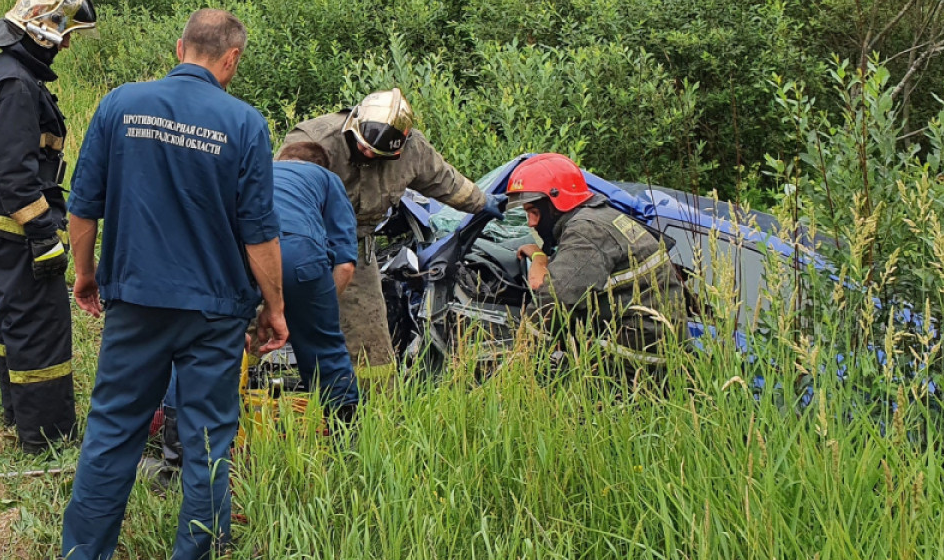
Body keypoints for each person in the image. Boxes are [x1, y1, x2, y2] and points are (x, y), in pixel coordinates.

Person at [57, 9, 288, 560]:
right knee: (209, 442)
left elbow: (83, 207)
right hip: (214, 310)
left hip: (135, 300)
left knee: (112, 430)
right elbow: (259, 233)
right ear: (231, 59)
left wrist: (86, 275)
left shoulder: (119, 105)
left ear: (180, 46)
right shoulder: (244, 124)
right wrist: (275, 307)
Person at [0, 0, 97, 451]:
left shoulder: (5, 69)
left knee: (17, 320)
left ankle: (19, 414)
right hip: (16, 221)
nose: (63, 47)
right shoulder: (18, 85)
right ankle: (47, 436)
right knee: (41, 326)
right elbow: (15, 174)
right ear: (43, 29)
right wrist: (43, 236)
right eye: (64, 36)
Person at [284, 89, 505, 368]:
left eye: (377, 153)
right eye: (364, 145)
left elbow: (445, 181)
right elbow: (282, 198)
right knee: (266, 317)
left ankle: (370, 408)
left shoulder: (413, 151)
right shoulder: (315, 141)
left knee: (371, 343)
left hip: (355, 249)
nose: (367, 153)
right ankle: (236, 386)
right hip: (299, 243)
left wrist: (482, 202)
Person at [504, 152, 688, 378]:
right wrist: (540, 257)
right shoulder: (603, 218)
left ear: (556, 202)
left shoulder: (587, 231)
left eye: (533, 212)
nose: (531, 222)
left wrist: (518, 355)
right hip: (656, 348)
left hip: (635, 359)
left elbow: (555, 299)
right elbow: (579, 273)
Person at [270, 141, 360, 418]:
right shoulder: (327, 179)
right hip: (300, 254)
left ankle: (204, 440)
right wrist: (316, 312)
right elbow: (345, 265)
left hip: (241, 250)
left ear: (281, 158)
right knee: (325, 351)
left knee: (219, 341)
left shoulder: (257, 169)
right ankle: (347, 441)